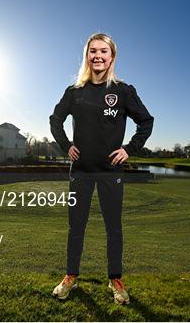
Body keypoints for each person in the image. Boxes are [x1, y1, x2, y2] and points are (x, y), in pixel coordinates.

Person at [49, 32, 154, 305]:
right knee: (76, 227)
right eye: (93, 51)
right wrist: (65, 145)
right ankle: (71, 276)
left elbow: (146, 121)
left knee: (114, 229)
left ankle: (115, 280)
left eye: (103, 51)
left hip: (110, 173)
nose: (98, 56)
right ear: (87, 56)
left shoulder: (123, 91)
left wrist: (129, 149)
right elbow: (55, 120)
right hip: (81, 171)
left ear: (112, 57)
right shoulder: (74, 92)